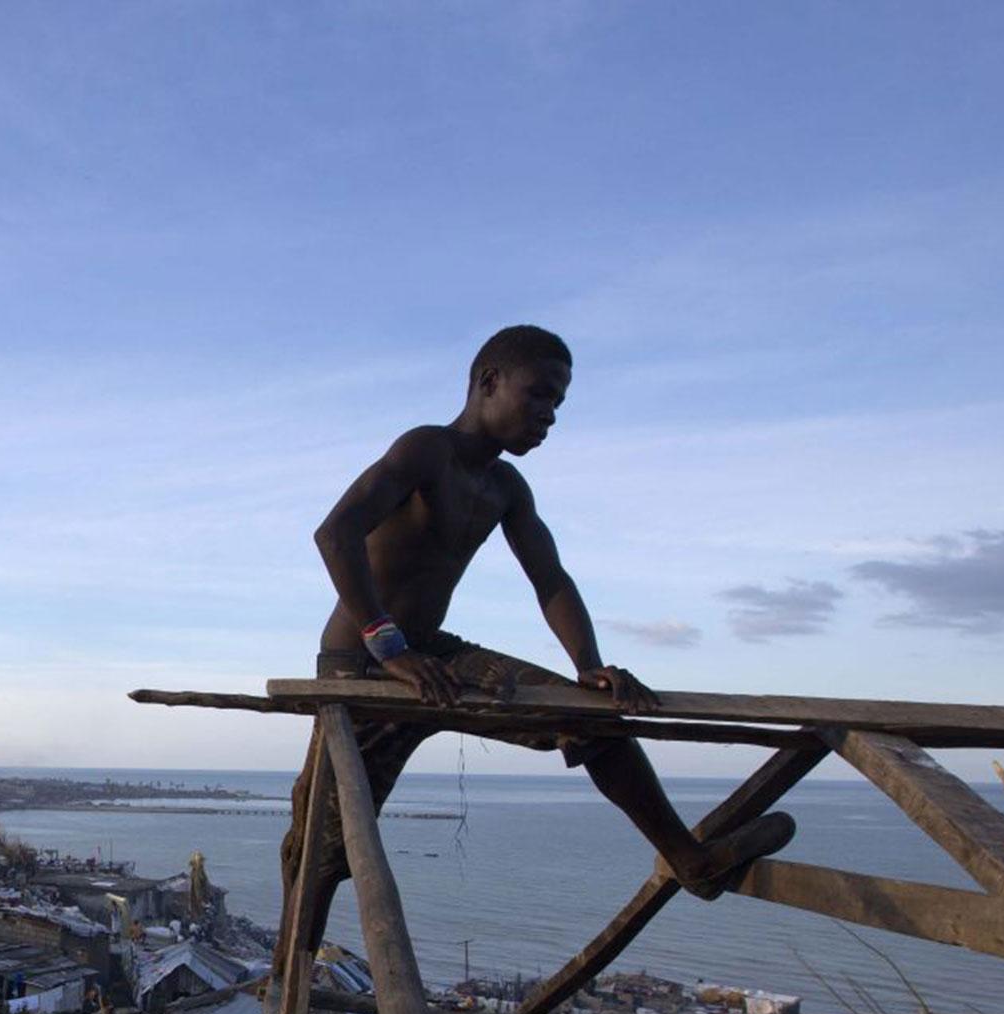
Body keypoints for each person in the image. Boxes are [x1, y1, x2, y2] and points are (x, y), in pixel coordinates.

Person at [290, 324, 795, 937]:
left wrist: (590, 666)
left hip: (435, 660)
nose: (548, 416)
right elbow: (334, 533)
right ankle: (290, 977)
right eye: (539, 395)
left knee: (590, 720)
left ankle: (692, 860)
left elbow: (550, 579)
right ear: (489, 382)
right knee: (321, 851)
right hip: (363, 664)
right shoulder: (426, 450)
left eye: (558, 404)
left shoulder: (505, 487)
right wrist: (387, 645)